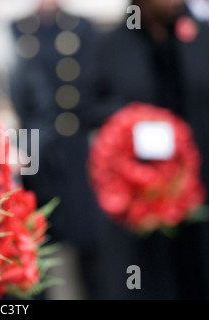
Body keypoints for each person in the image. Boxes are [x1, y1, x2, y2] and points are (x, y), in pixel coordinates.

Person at [80, 0, 209, 299]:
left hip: (197, 184)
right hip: (140, 193)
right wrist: (134, 121)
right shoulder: (111, 45)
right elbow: (87, 106)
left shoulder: (200, 36)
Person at [9, 0, 105, 299]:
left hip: (75, 147)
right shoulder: (15, 29)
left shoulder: (82, 27)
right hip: (34, 149)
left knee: (89, 240)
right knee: (39, 238)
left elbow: (94, 84)